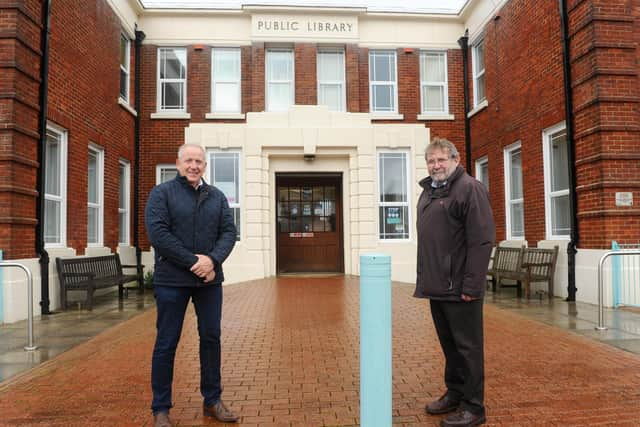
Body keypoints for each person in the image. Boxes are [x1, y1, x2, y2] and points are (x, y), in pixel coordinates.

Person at [145, 144, 238, 427]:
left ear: (204, 166)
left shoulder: (217, 196)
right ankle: (161, 409)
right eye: (189, 161)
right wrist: (194, 263)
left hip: (209, 282)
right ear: (178, 163)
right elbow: (158, 234)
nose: (194, 165)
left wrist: (212, 260)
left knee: (211, 339)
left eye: (199, 161)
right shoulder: (162, 194)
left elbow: (229, 232)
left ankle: (212, 400)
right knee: (166, 343)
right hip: (172, 281)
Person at [414, 137, 495, 427]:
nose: (436, 165)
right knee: (450, 347)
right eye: (431, 160)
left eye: (441, 159)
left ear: (456, 160)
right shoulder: (430, 191)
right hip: (438, 287)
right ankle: (456, 393)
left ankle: (474, 408)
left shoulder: (469, 189)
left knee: (468, 348)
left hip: (461, 288)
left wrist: (472, 287)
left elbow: (482, 240)